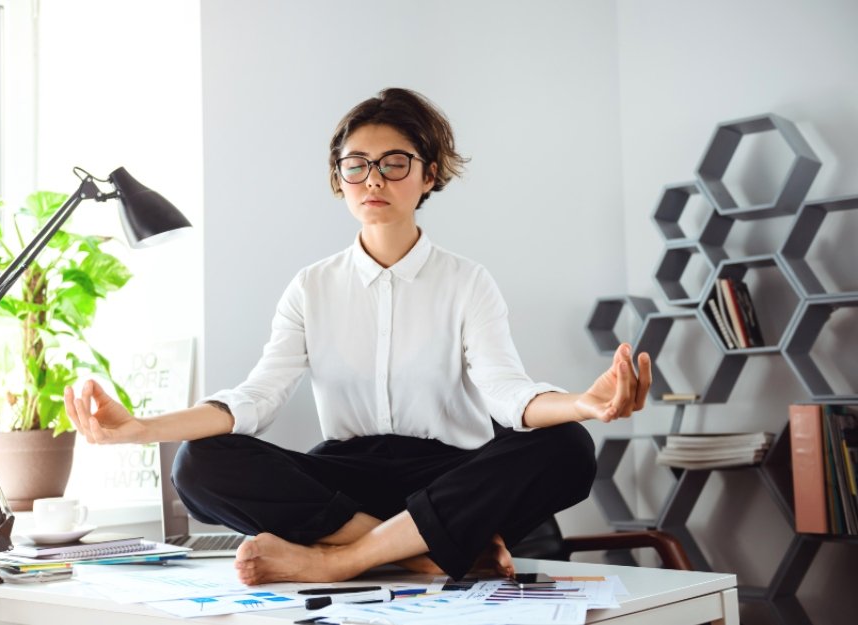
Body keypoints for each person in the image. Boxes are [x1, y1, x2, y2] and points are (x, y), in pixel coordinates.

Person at [65, 87, 651, 586]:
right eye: (356, 164)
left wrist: (584, 403)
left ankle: (337, 563)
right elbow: (257, 397)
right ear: (338, 178)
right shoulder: (310, 287)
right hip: (346, 487)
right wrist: (141, 430)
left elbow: (506, 393)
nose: (374, 178)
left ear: (428, 175)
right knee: (198, 464)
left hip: (448, 479)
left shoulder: (468, 282)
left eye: (395, 163)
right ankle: (419, 553)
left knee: (568, 446)